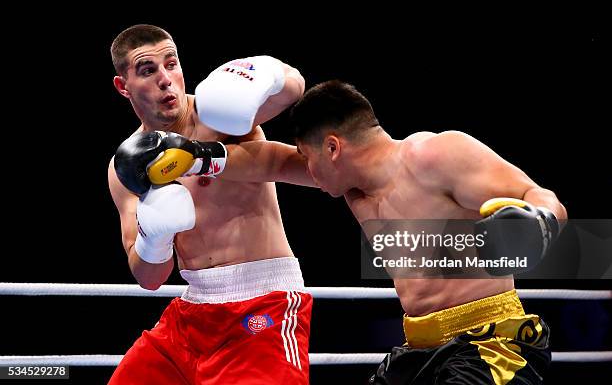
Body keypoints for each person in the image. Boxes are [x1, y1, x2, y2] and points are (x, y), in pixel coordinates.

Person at [287, 80, 567, 384]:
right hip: (418, 351)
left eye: (305, 155)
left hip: (488, 344)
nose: (307, 170)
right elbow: (264, 163)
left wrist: (538, 223)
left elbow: (539, 195)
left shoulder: (433, 156)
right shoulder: (352, 188)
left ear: (332, 147)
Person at [107, 24, 313, 384]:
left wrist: (267, 72)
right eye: (147, 70)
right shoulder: (125, 165)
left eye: (172, 64)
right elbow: (148, 278)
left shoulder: (218, 117)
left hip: (263, 302)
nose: (166, 79)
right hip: (193, 311)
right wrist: (154, 238)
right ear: (123, 87)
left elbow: (293, 89)